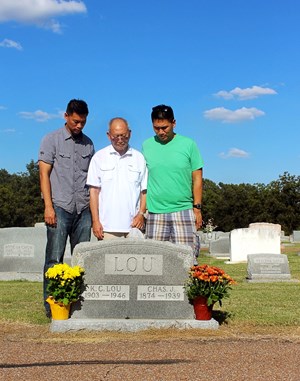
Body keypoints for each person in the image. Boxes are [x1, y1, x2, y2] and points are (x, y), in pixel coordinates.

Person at [38, 99, 94, 317]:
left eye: (83, 122)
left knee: (82, 260)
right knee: (54, 259)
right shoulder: (51, 140)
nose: (79, 126)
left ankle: (78, 307)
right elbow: (44, 174)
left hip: (84, 209)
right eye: (76, 121)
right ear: (66, 116)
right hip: (59, 207)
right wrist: (48, 207)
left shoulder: (88, 144)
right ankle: (51, 307)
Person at [142, 104, 204, 262]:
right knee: (153, 263)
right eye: (156, 128)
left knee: (187, 262)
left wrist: (197, 208)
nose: (161, 132)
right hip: (155, 211)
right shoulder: (146, 145)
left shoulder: (189, 145)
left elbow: (197, 178)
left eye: (165, 127)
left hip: (182, 210)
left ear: (174, 123)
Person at [87, 117, 147, 239]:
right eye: (116, 136)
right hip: (107, 228)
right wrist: (95, 221)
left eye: (124, 136)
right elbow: (93, 192)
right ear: (109, 135)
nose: (120, 140)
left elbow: (144, 190)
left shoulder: (139, 158)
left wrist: (141, 214)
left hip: (134, 227)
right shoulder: (99, 157)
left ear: (130, 133)